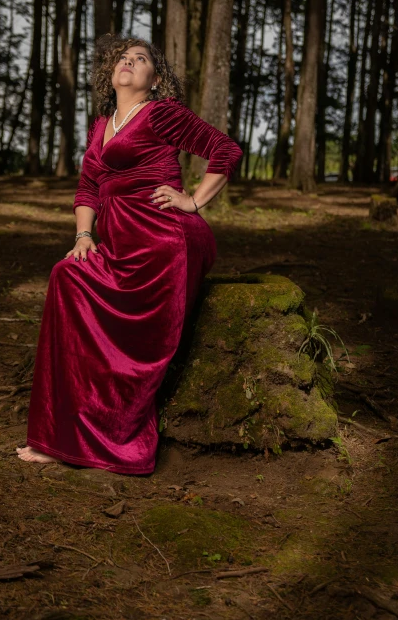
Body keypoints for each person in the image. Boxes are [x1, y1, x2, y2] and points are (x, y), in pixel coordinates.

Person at [16, 35, 243, 474]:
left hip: (165, 237)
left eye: (140, 60)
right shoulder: (102, 123)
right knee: (67, 277)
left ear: (155, 80)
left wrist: (193, 201)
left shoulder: (163, 114)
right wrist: (84, 236)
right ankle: (61, 437)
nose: (129, 62)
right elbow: (88, 186)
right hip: (120, 241)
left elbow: (225, 150)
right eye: (123, 57)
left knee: (139, 343)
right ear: (111, 74)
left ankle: (115, 441)